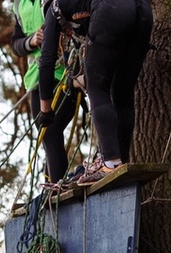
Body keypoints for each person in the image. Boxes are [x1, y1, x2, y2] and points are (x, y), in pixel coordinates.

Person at [39, 0, 153, 185]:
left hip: (110, 9)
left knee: (96, 87)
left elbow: (46, 61)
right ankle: (118, 162)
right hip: (143, 11)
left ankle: (110, 163)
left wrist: (46, 111)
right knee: (122, 94)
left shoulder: (54, 8)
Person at [12, 0, 81, 185]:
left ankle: (56, 186)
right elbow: (15, 44)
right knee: (47, 135)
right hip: (37, 81)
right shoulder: (19, 5)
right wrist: (31, 41)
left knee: (50, 132)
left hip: (66, 74)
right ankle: (52, 187)